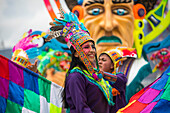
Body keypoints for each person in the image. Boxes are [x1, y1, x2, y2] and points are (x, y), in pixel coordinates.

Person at [50, 12, 115, 113]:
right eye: (86, 47)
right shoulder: (75, 76)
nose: (92, 50)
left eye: (93, 47)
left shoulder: (94, 75)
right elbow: (82, 108)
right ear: (76, 54)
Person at [98, 48, 127, 113]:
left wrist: (103, 74)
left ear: (112, 65)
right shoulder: (96, 79)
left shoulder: (121, 77)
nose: (99, 62)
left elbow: (119, 80)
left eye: (103, 60)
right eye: (99, 60)